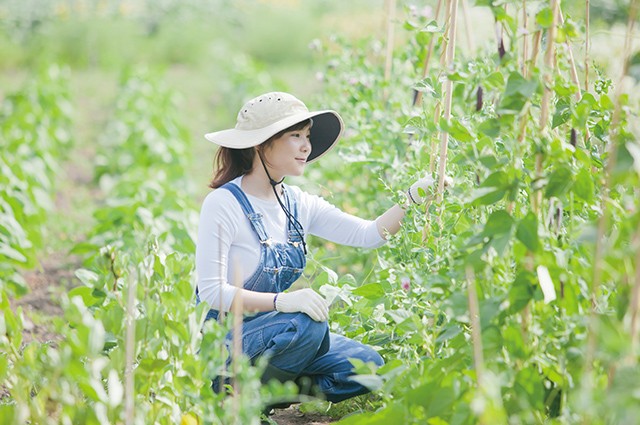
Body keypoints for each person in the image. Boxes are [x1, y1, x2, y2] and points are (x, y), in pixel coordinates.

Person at [195, 92, 434, 406]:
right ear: (260, 144)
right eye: (295, 136)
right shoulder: (223, 204)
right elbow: (212, 292)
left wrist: (412, 198)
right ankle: (236, 400)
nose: (306, 145)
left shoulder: (298, 203)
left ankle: (267, 394)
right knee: (306, 324)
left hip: (275, 338)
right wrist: (283, 301)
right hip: (222, 346)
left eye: (306, 136)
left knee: (371, 366)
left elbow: (368, 234)